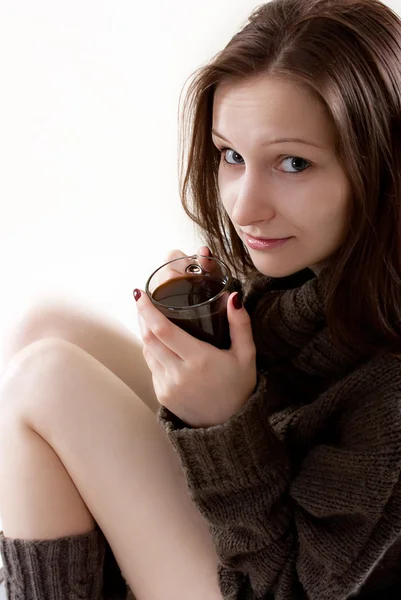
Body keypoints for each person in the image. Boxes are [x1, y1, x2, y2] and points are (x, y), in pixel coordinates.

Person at [1, 0, 401, 597]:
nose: (244, 206)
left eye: (293, 163)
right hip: (248, 541)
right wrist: (210, 341)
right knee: (50, 327)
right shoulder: (321, 270)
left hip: (274, 585)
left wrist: (221, 422)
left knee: (49, 380)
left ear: (383, 164)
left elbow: (295, 586)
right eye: (232, 155)